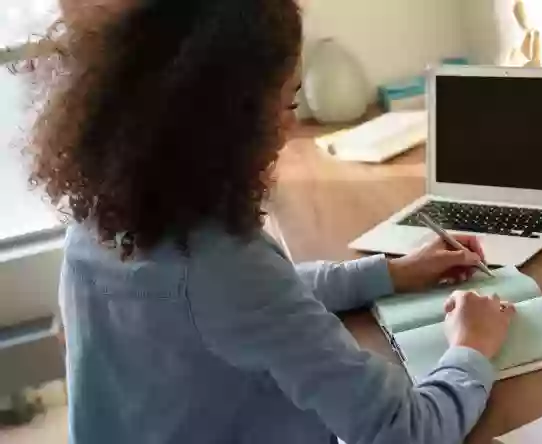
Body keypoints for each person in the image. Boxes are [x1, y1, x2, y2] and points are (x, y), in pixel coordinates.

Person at [26, 0, 515, 443]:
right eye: (288, 102)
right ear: (229, 121)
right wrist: (471, 346)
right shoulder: (218, 263)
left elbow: (249, 303)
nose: (292, 125)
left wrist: (391, 273)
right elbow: (403, 431)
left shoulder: (107, 214)